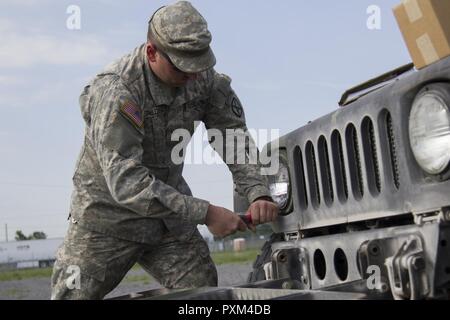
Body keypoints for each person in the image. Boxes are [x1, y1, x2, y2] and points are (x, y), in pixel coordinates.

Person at [51, 1, 278, 300]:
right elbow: (127, 182)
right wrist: (206, 213)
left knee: (204, 294)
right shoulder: (118, 91)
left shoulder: (203, 79)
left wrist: (257, 191)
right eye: (183, 66)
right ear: (151, 52)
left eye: (200, 64)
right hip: (106, 221)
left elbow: (231, 135)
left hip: (167, 221)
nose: (193, 75)